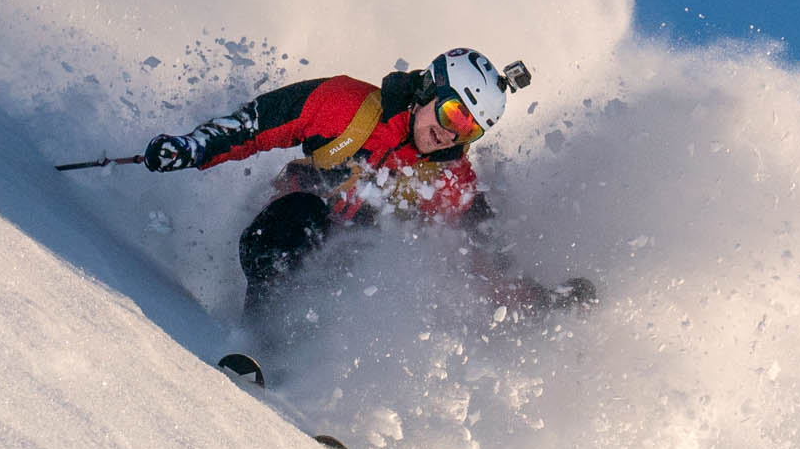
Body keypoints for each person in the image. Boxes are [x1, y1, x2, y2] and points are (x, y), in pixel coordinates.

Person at [144, 48, 595, 323]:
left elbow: (482, 258)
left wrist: (539, 302)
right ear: (430, 90)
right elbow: (257, 124)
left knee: (389, 271)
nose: (451, 134)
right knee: (298, 218)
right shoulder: (347, 107)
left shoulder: (449, 178)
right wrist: (193, 147)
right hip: (279, 235)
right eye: (453, 114)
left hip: (346, 275)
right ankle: (260, 337)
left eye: (470, 131)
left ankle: (314, 383)